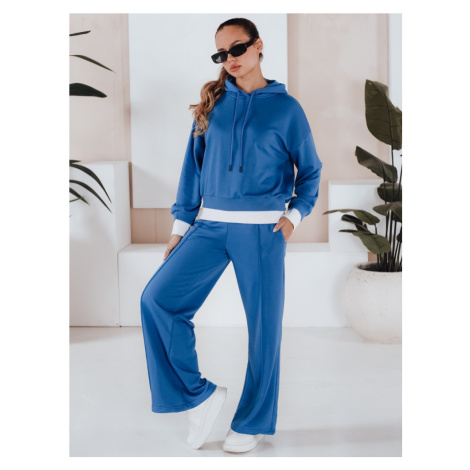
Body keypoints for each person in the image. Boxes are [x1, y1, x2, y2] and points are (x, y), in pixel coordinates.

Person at [140, 17, 323, 454]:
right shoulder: (213, 104)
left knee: (264, 330)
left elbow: (310, 173)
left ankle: (253, 421)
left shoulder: (287, 109)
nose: (230, 59)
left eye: (237, 49)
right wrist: (180, 227)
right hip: (209, 226)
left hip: (262, 231)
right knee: (157, 300)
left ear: (258, 45)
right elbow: (192, 170)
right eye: (222, 54)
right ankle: (197, 395)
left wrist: (293, 217)